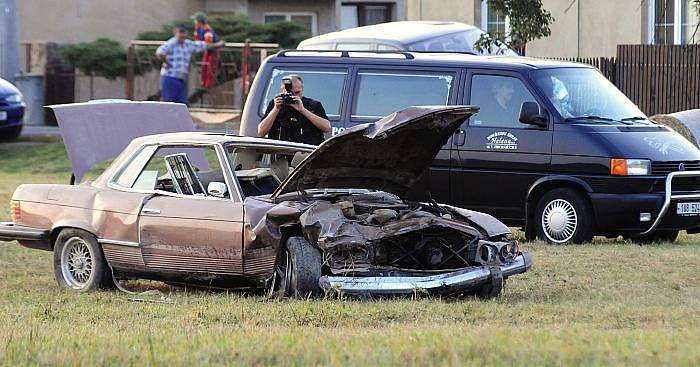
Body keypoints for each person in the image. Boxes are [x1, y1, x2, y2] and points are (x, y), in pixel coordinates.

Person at [155, 25, 223, 105]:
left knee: (182, 104)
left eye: (184, 33)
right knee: (169, 104)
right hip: (170, 77)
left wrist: (218, 44)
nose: (182, 35)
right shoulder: (172, 43)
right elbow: (159, 52)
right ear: (175, 33)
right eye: (180, 32)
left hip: (181, 79)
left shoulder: (188, 44)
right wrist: (166, 62)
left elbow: (202, 45)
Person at [257, 75, 331, 145]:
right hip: (280, 153)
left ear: (302, 89)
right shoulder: (275, 105)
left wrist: (303, 110)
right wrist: (276, 109)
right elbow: (261, 132)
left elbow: (326, 127)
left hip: (305, 153)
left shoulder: (313, 105)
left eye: (297, 92)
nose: (294, 96)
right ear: (282, 90)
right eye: (290, 93)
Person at [191, 11, 220, 89]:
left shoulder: (207, 29)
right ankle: (203, 83)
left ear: (199, 21)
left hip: (213, 51)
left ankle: (208, 84)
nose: (194, 22)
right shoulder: (198, 29)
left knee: (210, 68)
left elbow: (208, 42)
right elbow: (196, 40)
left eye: (195, 20)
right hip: (207, 51)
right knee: (204, 66)